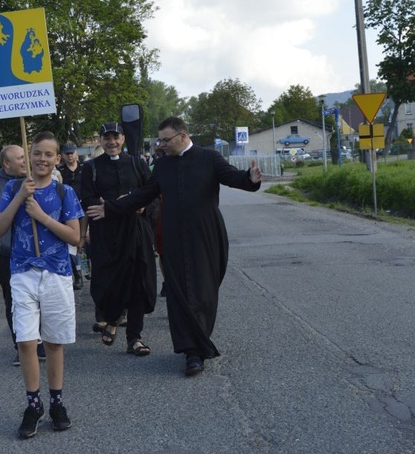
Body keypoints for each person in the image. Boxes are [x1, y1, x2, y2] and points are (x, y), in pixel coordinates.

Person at [86, 116, 262, 377]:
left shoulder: (209, 158)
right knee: (179, 294)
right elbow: (143, 195)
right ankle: (192, 351)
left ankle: (198, 343)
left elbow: (234, 178)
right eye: (160, 140)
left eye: (165, 140)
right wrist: (110, 208)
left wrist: (251, 178)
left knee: (203, 292)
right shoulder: (163, 165)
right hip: (173, 237)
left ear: (182, 136)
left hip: (205, 236)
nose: (161, 145)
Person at [0, 132, 83, 439]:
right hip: (22, 272)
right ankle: (34, 404)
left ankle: (57, 401)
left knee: (54, 342)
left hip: (57, 272)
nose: (42, 159)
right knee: (27, 341)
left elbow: (74, 237)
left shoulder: (64, 192)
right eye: (36, 154)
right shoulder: (14, 189)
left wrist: (41, 216)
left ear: (58, 159)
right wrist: (20, 198)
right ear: (28, 158)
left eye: (48, 154)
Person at [80, 122, 157, 357]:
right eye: (107, 138)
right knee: (108, 284)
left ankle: (135, 338)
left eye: (116, 137)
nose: (111, 142)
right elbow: (89, 203)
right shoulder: (91, 168)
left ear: (123, 139)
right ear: (100, 141)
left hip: (135, 233)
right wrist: (120, 207)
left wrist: (141, 207)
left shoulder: (137, 163)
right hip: (107, 236)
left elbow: (152, 193)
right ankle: (112, 319)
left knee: (137, 285)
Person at [0, 146, 46, 366]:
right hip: (7, 255)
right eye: (20, 158)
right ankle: (22, 346)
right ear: (6, 163)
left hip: (36, 252)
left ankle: (39, 341)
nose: (25, 161)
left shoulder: (35, 180)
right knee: (14, 302)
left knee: (40, 298)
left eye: (26, 156)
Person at [58, 142, 84, 290]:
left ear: (76, 153)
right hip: (68, 212)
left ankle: (87, 267)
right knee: (72, 246)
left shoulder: (85, 168)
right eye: (67, 153)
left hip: (84, 210)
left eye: (72, 152)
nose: (70, 155)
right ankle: (77, 274)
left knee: (86, 242)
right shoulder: (60, 171)